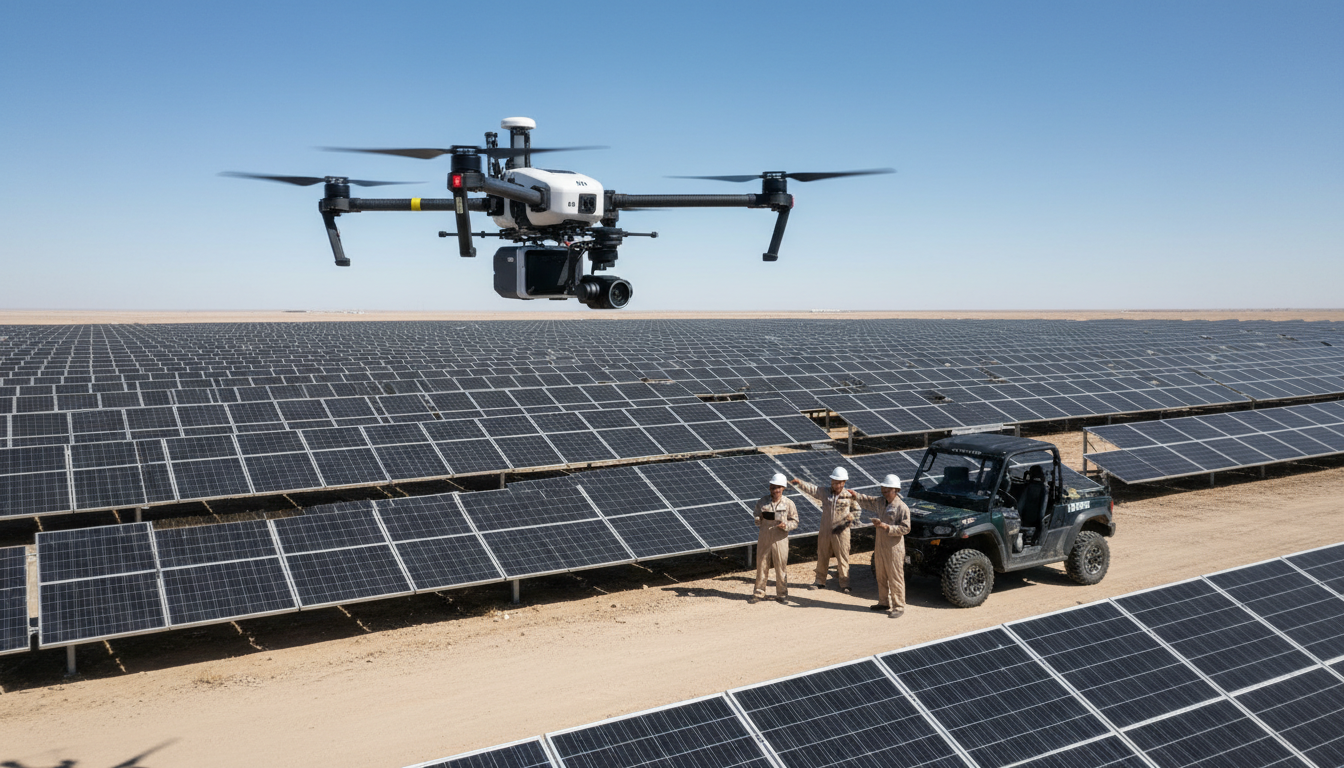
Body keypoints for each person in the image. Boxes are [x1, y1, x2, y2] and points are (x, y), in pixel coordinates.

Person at [849, 474, 912, 618]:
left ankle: (899, 606)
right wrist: (855, 495)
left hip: (894, 547)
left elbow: (906, 528)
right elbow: (867, 501)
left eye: (887, 489)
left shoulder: (902, 507)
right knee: (881, 575)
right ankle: (884, 602)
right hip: (880, 545)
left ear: (895, 490)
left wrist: (886, 527)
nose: (884, 491)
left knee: (895, 577)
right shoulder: (880, 502)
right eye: (883, 488)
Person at [791, 467, 861, 592]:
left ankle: (844, 583)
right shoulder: (824, 492)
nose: (836, 485)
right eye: (834, 482)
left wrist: (850, 520)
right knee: (822, 555)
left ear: (844, 482)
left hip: (841, 532)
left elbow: (857, 510)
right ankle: (819, 581)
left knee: (842, 557)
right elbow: (812, 489)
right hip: (825, 531)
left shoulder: (849, 496)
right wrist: (800, 483)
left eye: (839, 482)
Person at [751, 473, 799, 603]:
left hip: (780, 538)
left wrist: (786, 525)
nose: (775, 490)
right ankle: (759, 593)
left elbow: (795, 521)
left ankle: (782, 594)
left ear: (783, 488)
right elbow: (756, 515)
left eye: (778, 487)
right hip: (764, 537)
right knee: (762, 565)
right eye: (772, 487)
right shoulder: (762, 502)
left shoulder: (789, 504)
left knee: (780, 566)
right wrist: (758, 519)